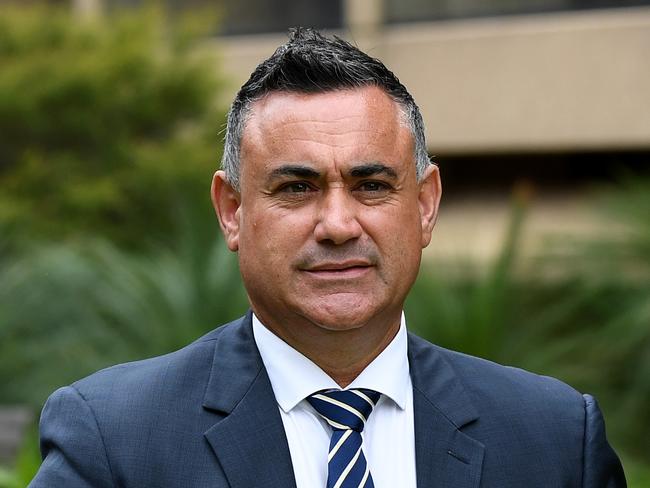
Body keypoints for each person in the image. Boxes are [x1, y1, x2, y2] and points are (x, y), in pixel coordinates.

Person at [30, 28, 625, 488]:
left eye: (371, 185)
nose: (338, 225)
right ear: (232, 209)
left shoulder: (554, 440)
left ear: (424, 205)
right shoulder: (114, 440)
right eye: (296, 188)